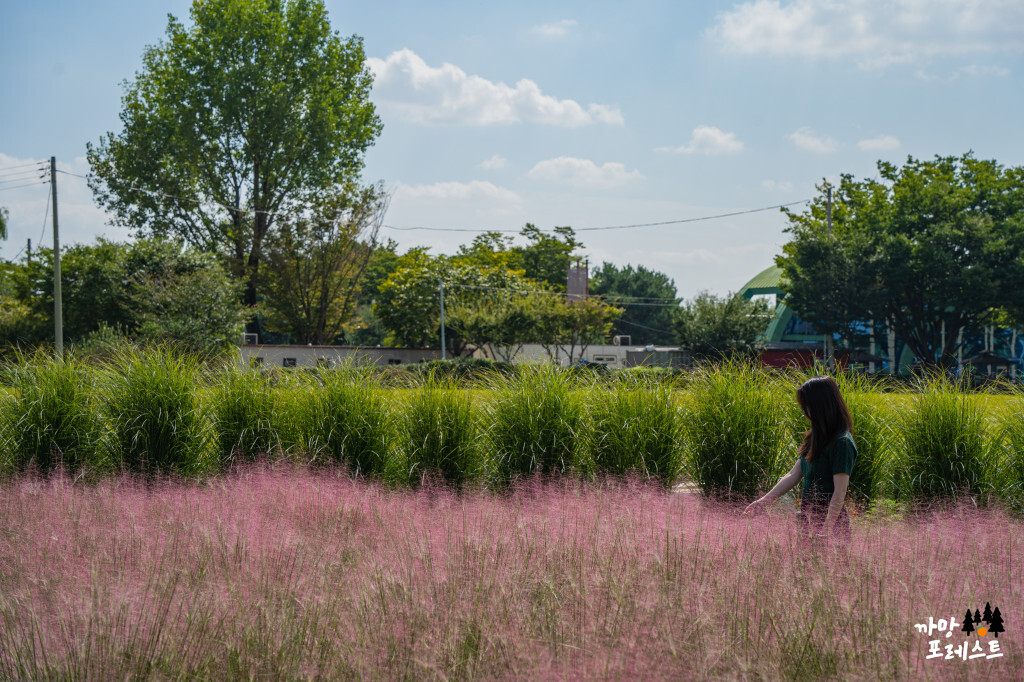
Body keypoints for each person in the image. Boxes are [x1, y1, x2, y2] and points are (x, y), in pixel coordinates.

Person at [743, 375, 857, 543]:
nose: (805, 411)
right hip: (808, 518)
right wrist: (763, 502)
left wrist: (826, 529)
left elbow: (839, 492)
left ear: (821, 406)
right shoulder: (815, 437)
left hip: (830, 525)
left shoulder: (842, 443)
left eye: (807, 405)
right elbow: (793, 475)